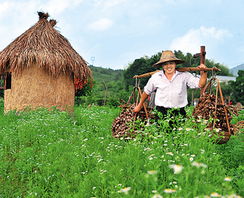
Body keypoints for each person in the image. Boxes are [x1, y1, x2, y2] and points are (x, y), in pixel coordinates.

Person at [133, 50, 207, 124]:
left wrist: (204, 73)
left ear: (175, 64)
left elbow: (201, 84)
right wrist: (139, 106)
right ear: (162, 66)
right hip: (161, 112)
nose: (168, 66)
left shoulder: (184, 75)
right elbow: (146, 91)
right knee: (161, 134)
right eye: (165, 64)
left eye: (171, 63)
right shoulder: (156, 77)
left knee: (179, 134)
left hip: (179, 112)